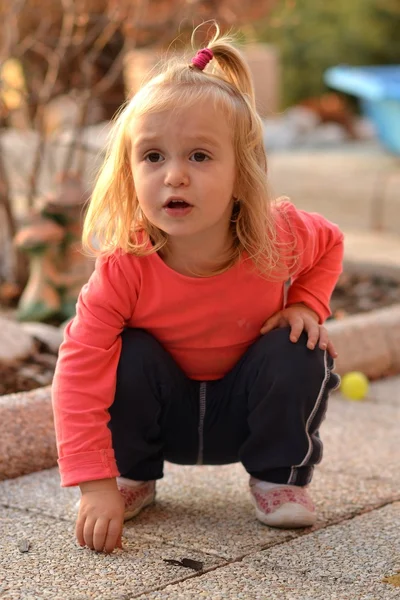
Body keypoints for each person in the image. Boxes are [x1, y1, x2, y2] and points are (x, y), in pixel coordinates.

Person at [52, 24, 343, 555]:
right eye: (154, 157)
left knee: (300, 345)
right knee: (125, 352)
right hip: (165, 420)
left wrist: (307, 302)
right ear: (129, 170)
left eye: (200, 157)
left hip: (246, 411)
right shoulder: (126, 265)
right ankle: (132, 477)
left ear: (242, 172)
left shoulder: (277, 235)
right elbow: (77, 370)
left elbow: (331, 244)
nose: (174, 177)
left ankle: (279, 477)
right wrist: (95, 484)